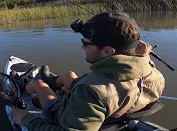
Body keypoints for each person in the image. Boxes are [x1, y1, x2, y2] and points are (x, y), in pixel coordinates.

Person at [12, 11, 165, 131]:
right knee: (70, 76)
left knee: (39, 85)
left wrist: (25, 118)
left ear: (107, 51)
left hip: (65, 114)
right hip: (111, 112)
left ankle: (19, 85)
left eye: (85, 44)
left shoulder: (90, 91)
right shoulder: (156, 75)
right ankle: (53, 80)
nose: (82, 47)